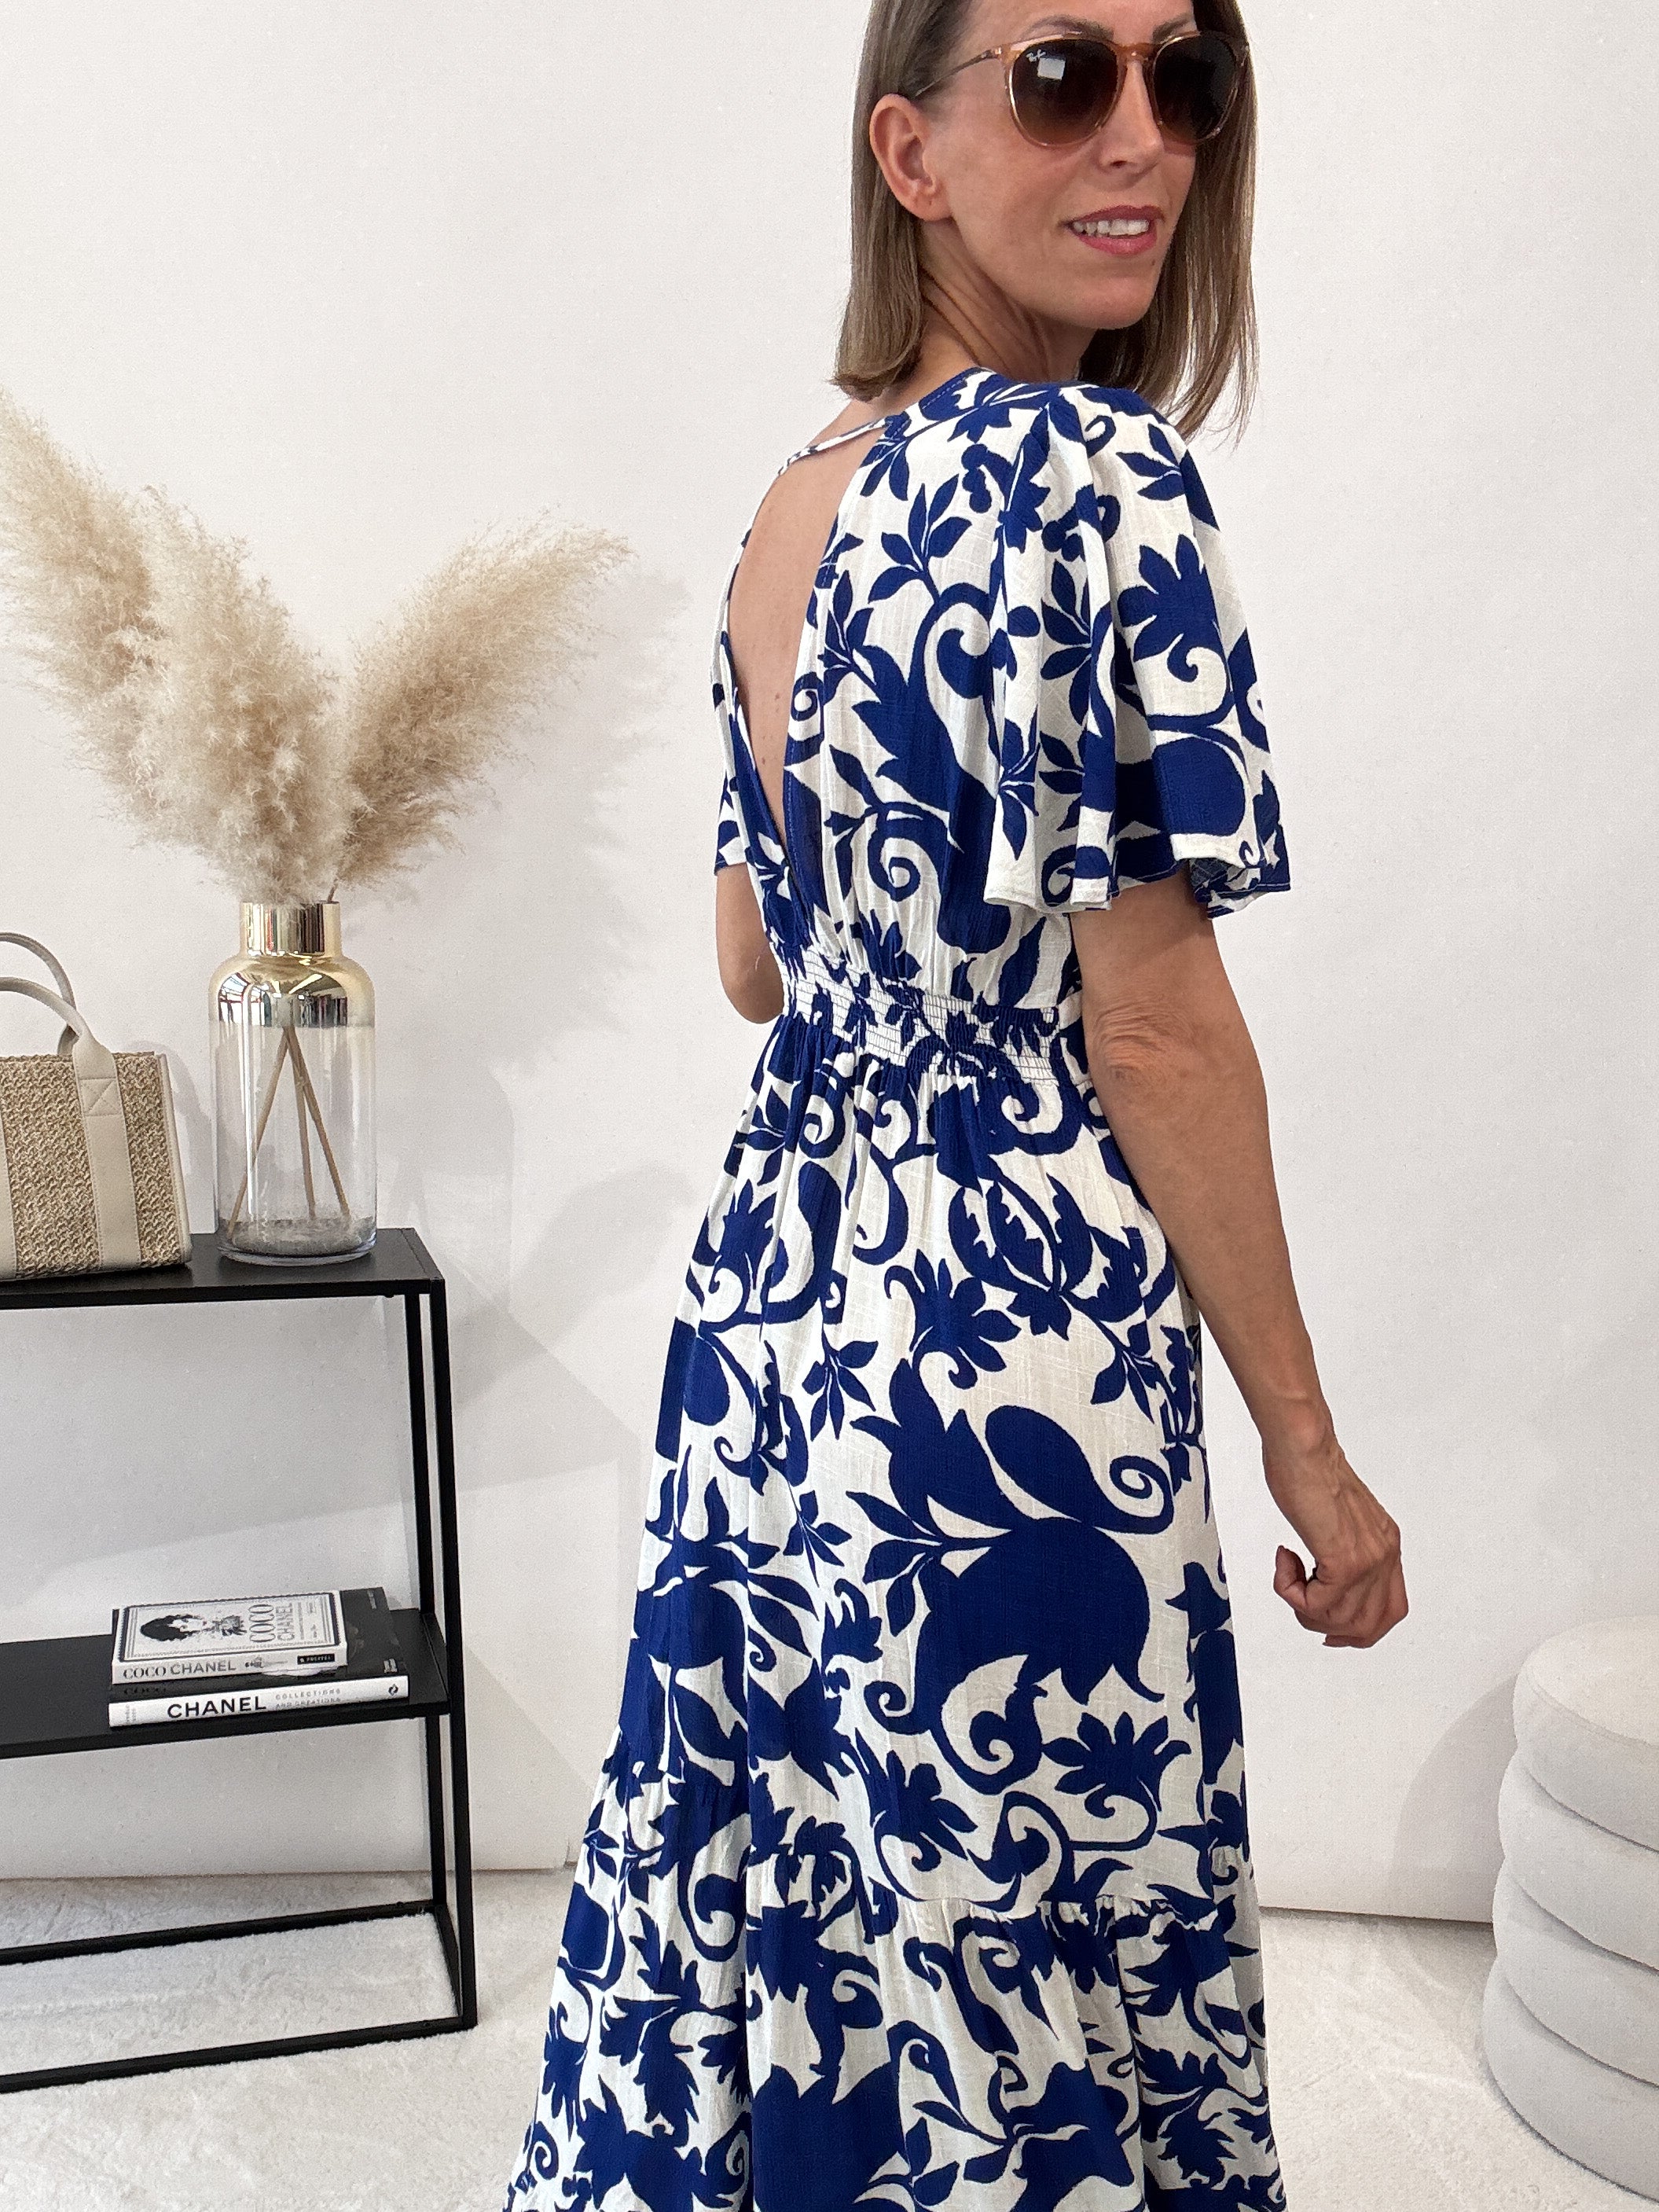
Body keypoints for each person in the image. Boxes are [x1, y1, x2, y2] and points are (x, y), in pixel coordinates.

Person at [502, 1, 1408, 2204]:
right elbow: (1153, 1028)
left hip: (778, 1312)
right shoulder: (1103, 482)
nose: (1146, 136)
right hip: (1012, 1325)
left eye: (1187, 81)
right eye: (1066, 77)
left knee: (795, 1885)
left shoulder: (790, 508)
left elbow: (756, 965)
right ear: (909, 156)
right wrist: (1308, 1448)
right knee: (1033, 1918)